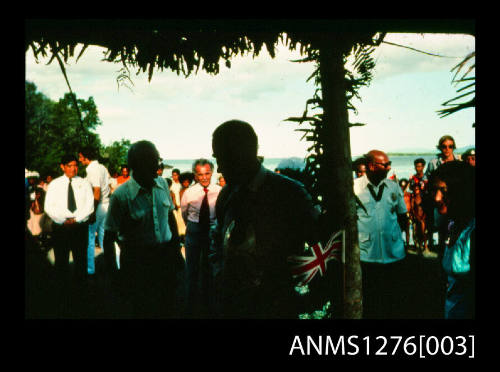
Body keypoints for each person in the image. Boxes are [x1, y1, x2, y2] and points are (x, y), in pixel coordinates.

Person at [210, 120, 320, 318]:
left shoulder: (290, 194)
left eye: (221, 159)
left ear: (240, 155)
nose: (218, 169)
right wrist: (220, 275)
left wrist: (304, 298)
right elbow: (217, 241)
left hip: (277, 307)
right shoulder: (227, 195)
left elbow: (320, 249)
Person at [103, 140, 184, 318]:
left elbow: (170, 217)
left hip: (165, 257)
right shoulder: (121, 196)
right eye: (153, 161)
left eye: (157, 160)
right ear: (137, 165)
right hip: (137, 261)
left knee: (168, 305)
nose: (157, 166)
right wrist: (114, 275)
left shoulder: (162, 183)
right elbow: (109, 237)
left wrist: (176, 251)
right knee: (142, 308)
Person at [354, 150, 408, 319]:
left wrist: (402, 241)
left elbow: (402, 215)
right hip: (367, 254)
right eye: (385, 165)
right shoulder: (354, 187)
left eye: (389, 164)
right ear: (371, 166)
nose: (389, 168)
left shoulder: (393, 186)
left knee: (393, 297)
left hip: (393, 252)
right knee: (371, 297)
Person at [44, 154, 94, 315]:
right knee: (61, 262)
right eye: (69, 165)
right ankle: (62, 298)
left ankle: (81, 298)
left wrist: (77, 219)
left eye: (75, 165)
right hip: (61, 227)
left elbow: (89, 205)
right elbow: (49, 206)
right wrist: (63, 220)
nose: (73, 168)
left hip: (79, 226)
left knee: (80, 260)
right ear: (62, 167)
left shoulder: (84, 183)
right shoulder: (54, 184)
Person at [429, 161, 475, 318]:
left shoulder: (471, 231)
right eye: (434, 190)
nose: (437, 198)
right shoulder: (453, 224)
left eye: (444, 191)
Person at [181, 159, 221, 317]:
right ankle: (190, 304)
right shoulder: (189, 193)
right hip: (194, 233)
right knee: (192, 268)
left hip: (212, 234)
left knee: (210, 269)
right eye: (200, 174)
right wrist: (192, 228)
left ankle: (209, 303)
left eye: (207, 173)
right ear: (195, 175)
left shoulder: (219, 191)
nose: (204, 177)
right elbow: (185, 214)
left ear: (212, 173)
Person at [425, 135, 459, 259]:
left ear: (453, 147)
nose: (447, 149)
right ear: (440, 148)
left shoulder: (458, 162)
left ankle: (454, 259)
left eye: (450, 146)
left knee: (456, 230)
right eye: (444, 146)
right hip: (439, 202)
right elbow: (426, 179)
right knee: (441, 229)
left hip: (455, 201)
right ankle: (441, 258)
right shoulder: (433, 163)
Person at [79, 146, 111, 277]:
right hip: (107, 205)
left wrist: (92, 211)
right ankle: (110, 266)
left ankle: (90, 269)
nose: (80, 160)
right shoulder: (102, 167)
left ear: (86, 157)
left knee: (90, 238)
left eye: (81, 157)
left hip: (98, 207)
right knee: (105, 238)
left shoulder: (92, 169)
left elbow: (96, 190)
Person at [410, 158, 436, 258]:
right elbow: (413, 191)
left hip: (426, 202)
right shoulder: (413, 178)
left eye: (420, 166)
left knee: (428, 225)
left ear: (423, 167)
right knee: (417, 226)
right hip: (417, 203)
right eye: (417, 166)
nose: (418, 168)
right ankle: (419, 246)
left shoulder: (427, 177)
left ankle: (429, 245)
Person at [170, 168, 186, 238]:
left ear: (179, 175)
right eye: (173, 175)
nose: (174, 177)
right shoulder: (171, 185)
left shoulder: (181, 184)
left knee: (182, 223)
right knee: (175, 223)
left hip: (181, 206)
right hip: (174, 206)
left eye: (175, 175)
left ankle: (183, 237)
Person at [398, 178, 413, 252]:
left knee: (407, 230)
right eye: (401, 186)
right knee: (399, 230)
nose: (402, 187)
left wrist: (411, 213)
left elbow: (411, 204)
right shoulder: (398, 195)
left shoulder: (409, 195)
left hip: (407, 214)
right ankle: (400, 245)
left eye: (404, 186)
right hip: (400, 214)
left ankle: (407, 245)